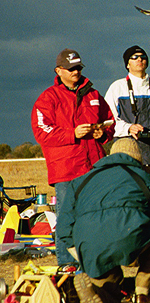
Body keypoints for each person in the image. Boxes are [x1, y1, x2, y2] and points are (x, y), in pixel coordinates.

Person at [57, 138, 150, 303]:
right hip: (131, 236)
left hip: (90, 241)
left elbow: (63, 227)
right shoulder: (144, 178)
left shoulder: (81, 181)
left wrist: (82, 253)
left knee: (107, 276)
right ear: (138, 159)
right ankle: (142, 293)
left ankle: (99, 292)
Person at [31, 48, 114, 266]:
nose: (75, 71)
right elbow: (41, 131)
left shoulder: (93, 94)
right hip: (66, 169)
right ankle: (67, 264)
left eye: (78, 67)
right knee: (67, 219)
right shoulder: (48, 98)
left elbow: (109, 121)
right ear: (59, 71)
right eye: (71, 69)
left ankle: (95, 262)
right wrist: (72, 133)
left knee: (95, 216)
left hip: (94, 167)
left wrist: (102, 133)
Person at [105, 45, 150, 204]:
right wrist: (128, 128)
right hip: (127, 152)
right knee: (129, 195)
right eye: (135, 57)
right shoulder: (117, 88)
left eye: (143, 56)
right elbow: (108, 120)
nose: (140, 59)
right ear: (127, 64)